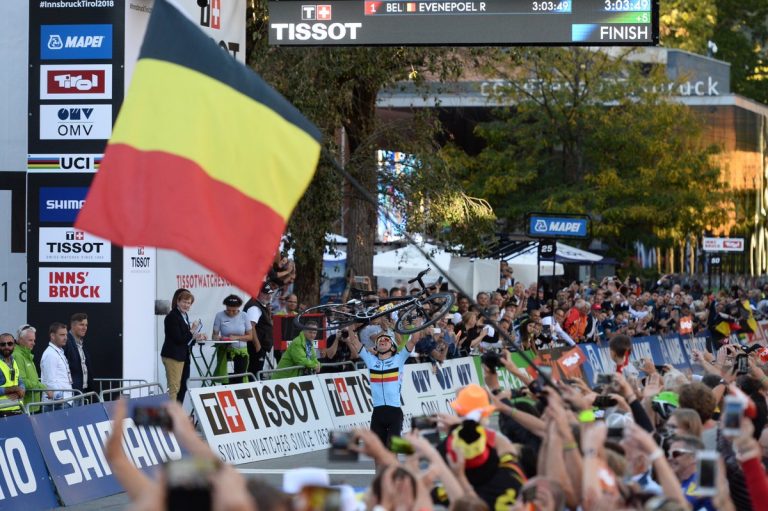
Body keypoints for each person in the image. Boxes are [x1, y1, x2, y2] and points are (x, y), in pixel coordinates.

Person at [346, 327, 416, 447]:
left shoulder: (399, 359)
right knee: (379, 454)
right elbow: (355, 342)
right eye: (379, 340)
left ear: (393, 347)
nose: (382, 340)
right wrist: (350, 326)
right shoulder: (370, 360)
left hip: (394, 413)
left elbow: (414, 339)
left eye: (386, 339)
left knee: (392, 451)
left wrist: (418, 322)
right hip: (377, 413)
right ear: (376, 347)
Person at [160, 288, 206, 403]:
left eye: (189, 303)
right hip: (173, 356)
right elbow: (179, 338)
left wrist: (196, 336)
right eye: (184, 302)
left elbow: (186, 339)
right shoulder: (172, 316)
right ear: (178, 302)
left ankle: (177, 414)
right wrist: (192, 331)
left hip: (183, 356)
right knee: (174, 387)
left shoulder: (184, 316)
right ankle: (171, 418)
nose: (186, 305)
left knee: (183, 386)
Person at [212, 294, 252, 383]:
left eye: (234, 311)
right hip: (225, 351)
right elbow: (214, 336)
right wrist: (220, 338)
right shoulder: (219, 316)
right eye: (228, 310)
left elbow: (250, 336)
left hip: (240, 351)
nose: (231, 313)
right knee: (226, 380)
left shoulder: (244, 316)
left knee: (239, 379)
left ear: (239, 307)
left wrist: (236, 337)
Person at [244, 282, 274, 377]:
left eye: (270, 293)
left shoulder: (259, 305)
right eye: (265, 293)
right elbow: (250, 327)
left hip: (259, 346)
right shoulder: (254, 307)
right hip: (255, 348)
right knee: (255, 373)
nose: (269, 296)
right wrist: (258, 347)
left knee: (257, 372)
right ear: (258, 292)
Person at [41, 322, 74, 407]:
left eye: (66, 335)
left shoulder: (58, 352)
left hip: (65, 400)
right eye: (62, 335)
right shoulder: (50, 354)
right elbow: (50, 380)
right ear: (52, 336)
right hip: (56, 403)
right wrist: (60, 399)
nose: (65, 338)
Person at [14, 324, 46, 412]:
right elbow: (22, 381)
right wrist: (43, 387)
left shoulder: (27, 355)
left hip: (32, 406)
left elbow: (31, 379)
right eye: (30, 340)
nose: (34, 343)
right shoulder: (17, 356)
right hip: (26, 407)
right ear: (20, 340)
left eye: (34, 340)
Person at [64, 312, 95, 393]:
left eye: (86, 325)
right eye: (81, 324)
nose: (84, 328)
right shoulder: (66, 342)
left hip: (82, 391)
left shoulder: (81, 344)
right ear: (72, 325)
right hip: (71, 391)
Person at [0, 333, 24, 417]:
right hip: (2, 412)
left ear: (14, 345)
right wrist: (11, 389)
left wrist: (21, 390)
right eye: (3, 344)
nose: (6, 346)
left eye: (9, 344)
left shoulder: (13, 361)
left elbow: (20, 381)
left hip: (17, 409)